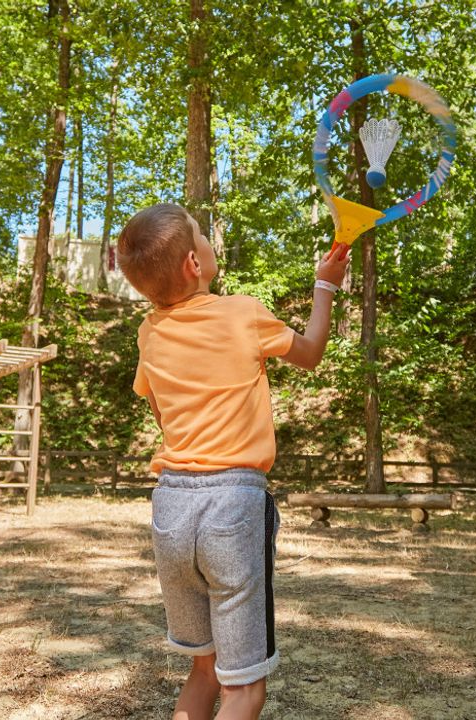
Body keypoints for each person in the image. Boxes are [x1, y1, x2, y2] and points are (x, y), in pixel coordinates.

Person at [117, 203, 350, 719]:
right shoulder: (243, 311)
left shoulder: (149, 332)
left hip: (171, 506)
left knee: (204, 670)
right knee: (244, 689)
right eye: (201, 235)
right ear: (194, 265)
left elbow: (160, 410)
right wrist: (325, 285)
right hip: (232, 506)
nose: (207, 239)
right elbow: (310, 352)